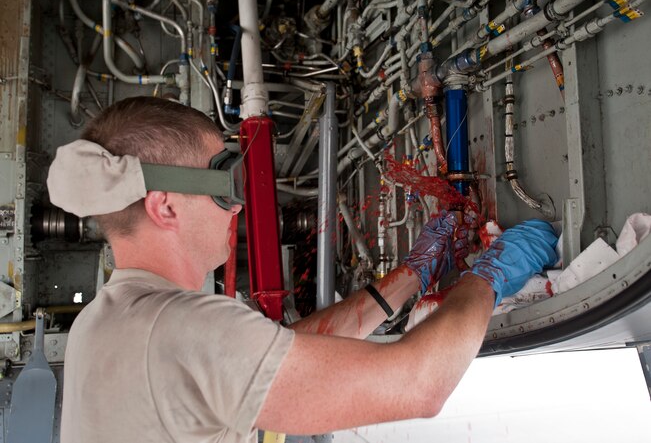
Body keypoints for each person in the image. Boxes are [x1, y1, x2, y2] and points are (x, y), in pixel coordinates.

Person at [48, 97, 558, 443]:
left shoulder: (108, 324)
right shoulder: (178, 330)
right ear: (165, 207)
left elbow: (277, 356)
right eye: (227, 184)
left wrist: (412, 274)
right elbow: (420, 386)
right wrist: (485, 279)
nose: (238, 207)